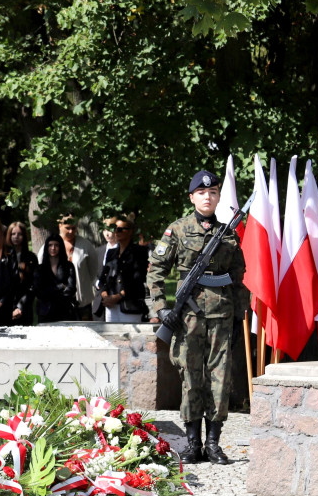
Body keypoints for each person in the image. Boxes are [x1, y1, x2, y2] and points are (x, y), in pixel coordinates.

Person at [147, 170, 246, 465]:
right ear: (192, 197)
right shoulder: (176, 230)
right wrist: (161, 308)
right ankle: (193, 443)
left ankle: (213, 443)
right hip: (186, 317)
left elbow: (239, 278)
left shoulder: (228, 234)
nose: (208, 197)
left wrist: (240, 316)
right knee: (190, 377)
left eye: (213, 193)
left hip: (222, 315)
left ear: (218, 197)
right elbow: (156, 271)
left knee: (220, 377)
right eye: (202, 193)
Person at [39, 215, 101, 320]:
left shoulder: (85, 245)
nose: (71, 231)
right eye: (67, 228)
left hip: (81, 303)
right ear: (60, 226)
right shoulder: (49, 246)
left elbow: (93, 270)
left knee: (84, 333)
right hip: (55, 304)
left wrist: (82, 283)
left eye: (73, 228)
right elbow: (41, 272)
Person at [96, 214, 149, 323]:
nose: (117, 232)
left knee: (131, 338)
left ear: (130, 231)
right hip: (111, 306)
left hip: (130, 304)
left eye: (120, 229)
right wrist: (105, 295)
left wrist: (118, 296)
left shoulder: (139, 252)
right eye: (115, 229)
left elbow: (138, 280)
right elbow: (103, 278)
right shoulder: (111, 253)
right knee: (112, 337)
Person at [34, 233, 77, 323]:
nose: (53, 248)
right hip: (45, 312)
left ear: (60, 247)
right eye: (50, 245)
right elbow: (39, 292)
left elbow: (71, 289)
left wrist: (50, 291)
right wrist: (61, 286)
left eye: (56, 245)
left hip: (65, 311)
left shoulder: (68, 266)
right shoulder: (40, 268)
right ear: (46, 247)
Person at [6, 221, 38, 326]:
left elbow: (34, 284)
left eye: (19, 234)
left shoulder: (31, 257)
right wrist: (12, 307)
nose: (16, 237)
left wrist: (20, 306)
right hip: (6, 306)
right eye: (13, 234)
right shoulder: (4, 256)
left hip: (25, 306)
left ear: (24, 236)